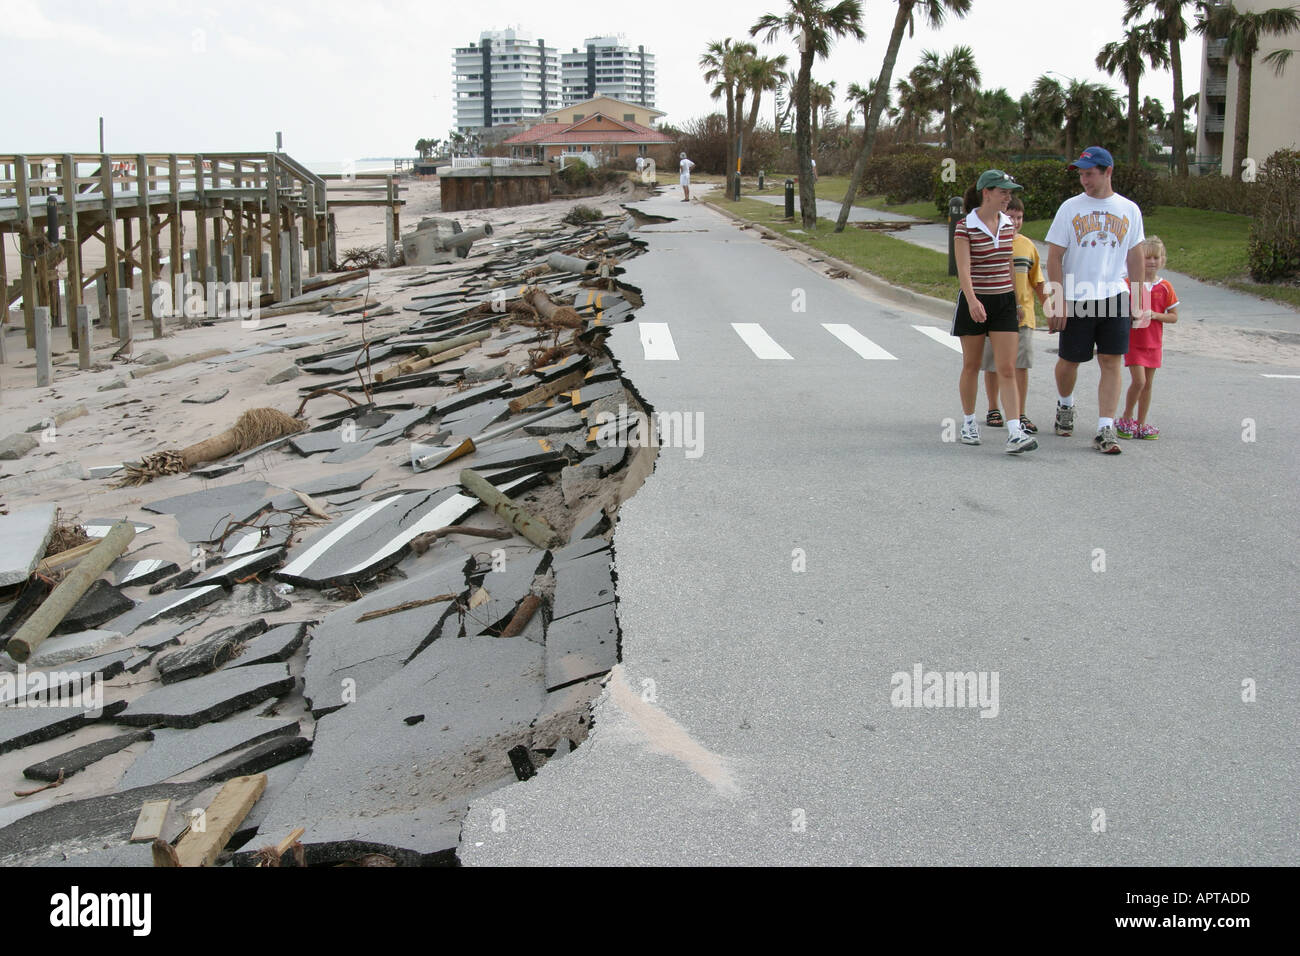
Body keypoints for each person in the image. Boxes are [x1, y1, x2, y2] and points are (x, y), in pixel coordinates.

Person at [1044, 146, 1146, 454]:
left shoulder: (1128, 209)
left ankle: (1105, 427)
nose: (1085, 180)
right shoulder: (1070, 208)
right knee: (1069, 360)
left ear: (1108, 172)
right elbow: (1054, 257)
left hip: (1115, 294)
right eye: (1082, 174)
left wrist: (1139, 299)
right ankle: (1065, 404)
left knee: (1111, 360)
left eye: (1090, 174)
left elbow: (1135, 255)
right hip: (1077, 294)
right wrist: (1057, 299)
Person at [952, 170, 1038, 455]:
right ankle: (967, 422)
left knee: (1007, 368)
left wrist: (1016, 302)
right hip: (975, 302)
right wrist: (973, 300)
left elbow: (1008, 267)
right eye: (1003, 192)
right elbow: (964, 269)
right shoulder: (966, 227)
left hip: (1003, 302)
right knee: (972, 365)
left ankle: (1014, 431)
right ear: (986, 192)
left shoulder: (1007, 226)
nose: (1008, 197)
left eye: (1009, 192)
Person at [981, 195, 1048, 434]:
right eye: (1011, 216)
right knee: (992, 364)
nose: (1016, 221)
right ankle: (993, 408)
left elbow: (1038, 281)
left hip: (1024, 317)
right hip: (995, 314)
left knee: (1021, 365)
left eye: (1019, 217)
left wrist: (1049, 309)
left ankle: (1019, 412)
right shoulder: (990, 240)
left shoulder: (1027, 246)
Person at [1117, 236, 1178, 439]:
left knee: (1148, 384)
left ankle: (1141, 423)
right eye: (1147, 257)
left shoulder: (1166, 287)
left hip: (1154, 343)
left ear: (1162, 260)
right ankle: (1126, 417)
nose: (1151, 262)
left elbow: (1173, 316)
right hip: (1134, 341)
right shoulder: (1130, 284)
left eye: (1155, 257)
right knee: (1139, 381)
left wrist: (1155, 315)